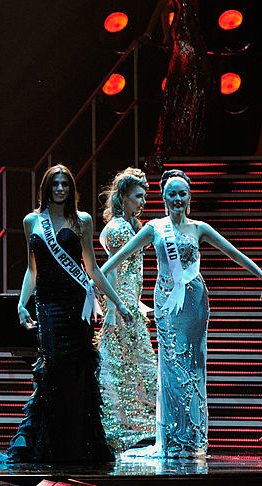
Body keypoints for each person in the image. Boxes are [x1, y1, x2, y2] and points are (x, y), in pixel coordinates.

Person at [103, 169, 262, 458]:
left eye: (181, 193)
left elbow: (233, 252)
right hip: (165, 303)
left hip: (195, 302)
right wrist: (93, 280)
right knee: (171, 367)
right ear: (163, 197)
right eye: (171, 193)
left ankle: (191, 438)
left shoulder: (199, 227)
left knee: (194, 367)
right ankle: (172, 439)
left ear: (189, 197)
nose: (176, 198)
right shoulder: (154, 228)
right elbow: (119, 256)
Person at [7, 164, 132, 463]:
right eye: (55, 184)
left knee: (77, 371)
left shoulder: (83, 221)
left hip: (77, 305)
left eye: (65, 184)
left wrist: (117, 303)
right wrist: (21, 303)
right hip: (48, 305)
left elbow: (92, 267)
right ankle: (51, 442)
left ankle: (77, 444)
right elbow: (31, 268)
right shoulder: (31, 221)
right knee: (54, 367)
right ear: (46, 188)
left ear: (71, 189)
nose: (60, 189)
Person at [97, 167, 157, 451]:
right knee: (124, 370)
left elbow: (132, 273)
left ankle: (134, 429)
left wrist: (138, 302)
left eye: (144, 197)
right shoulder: (121, 228)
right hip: (120, 311)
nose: (142, 202)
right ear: (122, 197)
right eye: (137, 196)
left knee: (132, 370)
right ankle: (125, 431)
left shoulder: (131, 225)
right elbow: (113, 271)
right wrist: (113, 308)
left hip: (130, 308)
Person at [145, 0, 211, 173]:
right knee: (186, 86)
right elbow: (160, 7)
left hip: (192, 36)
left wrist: (166, 33)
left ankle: (189, 140)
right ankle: (182, 141)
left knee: (194, 87)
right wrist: (156, 33)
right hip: (183, 37)